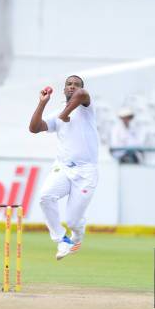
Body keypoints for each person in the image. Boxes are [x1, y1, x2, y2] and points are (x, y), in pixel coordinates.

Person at [29, 75, 99, 260]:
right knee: (45, 197)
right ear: (64, 89)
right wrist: (42, 103)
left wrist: (65, 114)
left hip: (86, 171)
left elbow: (83, 94)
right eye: (69, 84)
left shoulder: (86, 108)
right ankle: (62, 239)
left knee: (72, 220)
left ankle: (78, 228)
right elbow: (34, 128)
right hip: (63, 168)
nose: (73, 87)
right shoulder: (57, 113)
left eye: (76, 84)